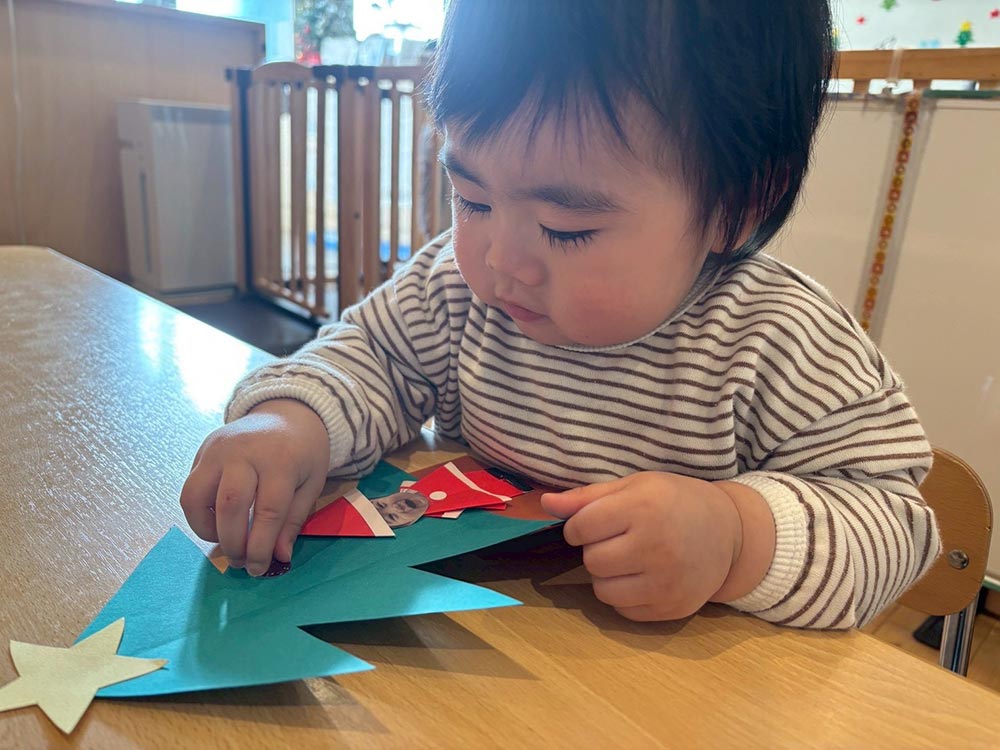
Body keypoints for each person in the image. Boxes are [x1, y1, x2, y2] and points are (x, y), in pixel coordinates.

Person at [181, 0, 940, 629]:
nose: (500, 259)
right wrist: (291, 421)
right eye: (472, 199)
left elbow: (895, 524)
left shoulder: (780, 341)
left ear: (737, 206)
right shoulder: (456, 288)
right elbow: (372, 358)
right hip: (478, 646)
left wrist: (738, 536)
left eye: (565, 228)